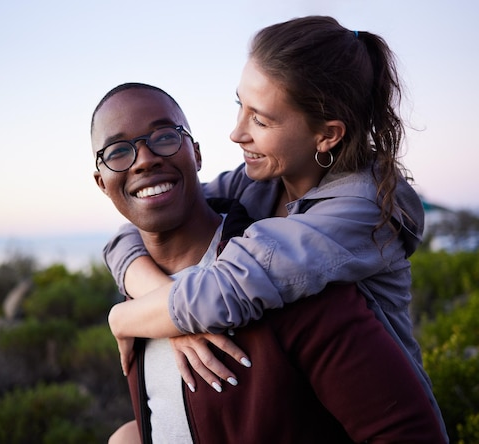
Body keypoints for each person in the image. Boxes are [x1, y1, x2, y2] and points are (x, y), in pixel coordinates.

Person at [105, 15, 447, 439]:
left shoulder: (360, 211)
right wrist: (169, 314)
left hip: (363, 411)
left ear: (327, 135)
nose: (236, 133)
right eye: (239, 106)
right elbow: (145, 222)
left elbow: (226, 291)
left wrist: (125, 318)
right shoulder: (262, 183)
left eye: (261, 121)